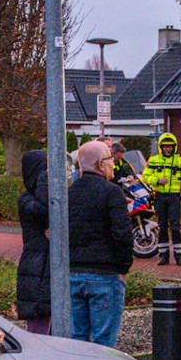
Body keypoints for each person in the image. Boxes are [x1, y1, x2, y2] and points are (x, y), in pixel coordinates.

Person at [66, 139, 133, 347]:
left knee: (77, 342)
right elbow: (122, 234)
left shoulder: (68, 194)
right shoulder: (112, 192)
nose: (113, 163)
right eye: (110, 159)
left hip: (73, 274)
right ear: (100, 164)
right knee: (104, 344)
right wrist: (123, 268)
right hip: (105, 274)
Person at [141, 132, 181, 266]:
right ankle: (163, 256)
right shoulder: (154, 160)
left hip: (174, 197)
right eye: (165, 147)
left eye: (170, 147)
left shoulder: (179, 161)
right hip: (160, 197)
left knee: (175, 227)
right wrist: (157, 180)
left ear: (174, 147)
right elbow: (145, 177)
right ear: (161, 147)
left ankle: (179, 256)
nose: (167, 149)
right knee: (162, 227)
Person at [15, 149, 52, 335]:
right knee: (40, 328)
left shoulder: (44, 196)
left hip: (44, 268)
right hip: (36, 269)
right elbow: (42, 210)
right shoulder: (26, 200)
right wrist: (45, 179)